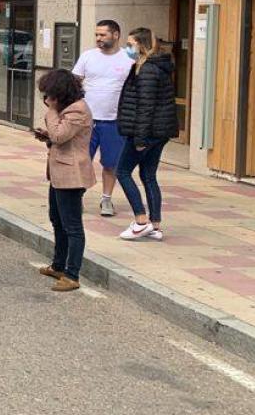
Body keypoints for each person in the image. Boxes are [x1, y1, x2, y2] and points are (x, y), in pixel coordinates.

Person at [33, 70, 96, 292]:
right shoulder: (67, 109)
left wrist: (51, 112)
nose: (46, 99)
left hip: (72, 175)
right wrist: (46, 136)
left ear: (59, 93)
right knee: (56, 219)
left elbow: (60, 136)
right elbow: (57, 137)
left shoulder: (77, 110)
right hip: (59, 173)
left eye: (49, 94)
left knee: (72, 226)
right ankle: (58, 265)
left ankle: (72, 274)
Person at [114, 28, 178, 241]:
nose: (127, 48)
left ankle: (141, 221)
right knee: (148, 175)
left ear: (141, 45)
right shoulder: (154, 67)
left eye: (130, 44)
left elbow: (145, 107)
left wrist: (140, 139)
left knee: (122, 172)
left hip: (145, 132)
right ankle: (156, 226)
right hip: (158, 132)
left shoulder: (148, 70)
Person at [71, 20, 134, 217]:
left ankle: (106, 200)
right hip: (87, 122)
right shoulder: (87, 57)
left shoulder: (129, 58)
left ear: (115, 35)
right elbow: (74, 83)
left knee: (110, 164)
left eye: (103, 35)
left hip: (114, 122)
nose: (98, 39)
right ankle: (76, 198)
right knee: (82, 162)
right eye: (97, 35)